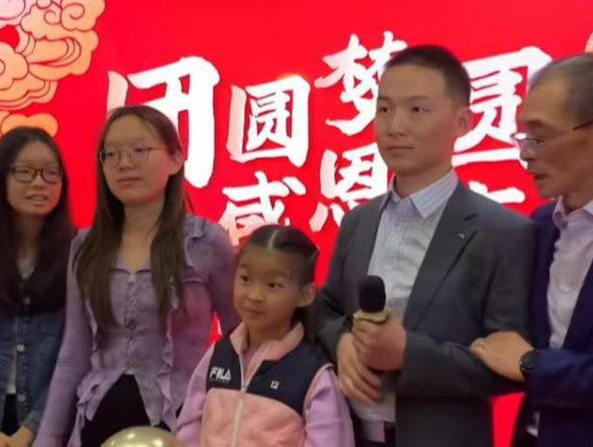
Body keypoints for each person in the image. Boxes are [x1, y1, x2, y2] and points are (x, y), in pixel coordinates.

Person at [317, 45, 534, 447]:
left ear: (463, 122)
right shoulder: (357, 221)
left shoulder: (503, 232)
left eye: (417, 109)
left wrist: (407, 355)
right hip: (348, 436)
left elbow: (511, 366)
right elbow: (325, 309)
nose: (395, 126)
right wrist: (341, 341)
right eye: (384, 109)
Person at [33, 105, 238, 447]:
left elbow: (239, 339)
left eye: (139, 150)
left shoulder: (205, 241)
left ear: (175, 159)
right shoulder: (86, 247)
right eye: (111, 154)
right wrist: (47, 439)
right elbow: (73, 354)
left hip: (181, 424)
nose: (124, 163)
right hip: (96, 421)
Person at [471, 54, 593, 447]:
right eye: (524, 137)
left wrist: (532, 364)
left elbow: (525, 357)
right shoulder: (540, 226)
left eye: (540, 137)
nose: (525, 153)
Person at [176, 224, 355, 447]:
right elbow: (188, 429)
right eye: (245, 279)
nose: (254, 295)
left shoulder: (314, 374)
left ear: (305, 295)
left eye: (272, 285)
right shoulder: (218, 355)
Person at [0, 127, 75, 447]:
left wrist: (32, 430)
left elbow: (74, 358)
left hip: (52, 428)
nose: (39, 182)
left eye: (50, 173)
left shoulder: (80, 258)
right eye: (25, 172)